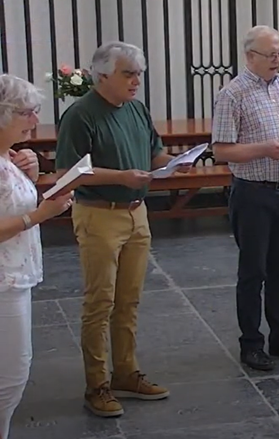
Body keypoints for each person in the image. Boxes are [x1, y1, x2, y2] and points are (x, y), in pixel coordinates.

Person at [55, 42, 178, 417]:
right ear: (102, 75)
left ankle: (126, 372)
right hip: (99, 214)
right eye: (129, 73)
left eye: (139, 73)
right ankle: (98, 385)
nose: (136, 80)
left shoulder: (137, 110)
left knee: (128, 301)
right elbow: (67, 174)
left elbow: (154, 153)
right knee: (100, 302)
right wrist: (121, 177)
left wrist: (175, 163)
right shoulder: (81, 115)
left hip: (136, 213)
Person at [211, 25, 279, 370]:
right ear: (249, 57)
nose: (277, 60)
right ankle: (251, 343)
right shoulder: (232, 95)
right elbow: (221, 151)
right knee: (253, 271)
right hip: (252, 193)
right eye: (270, 55)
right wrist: (263, 149)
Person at [0, 75, 74, 439]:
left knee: (12, 372)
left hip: (16, 273)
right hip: (3, 280)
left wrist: (30, 174)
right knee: (12, 375)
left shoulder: (8, 157)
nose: (34, 120)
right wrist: (40, 215)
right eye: (26, 113)